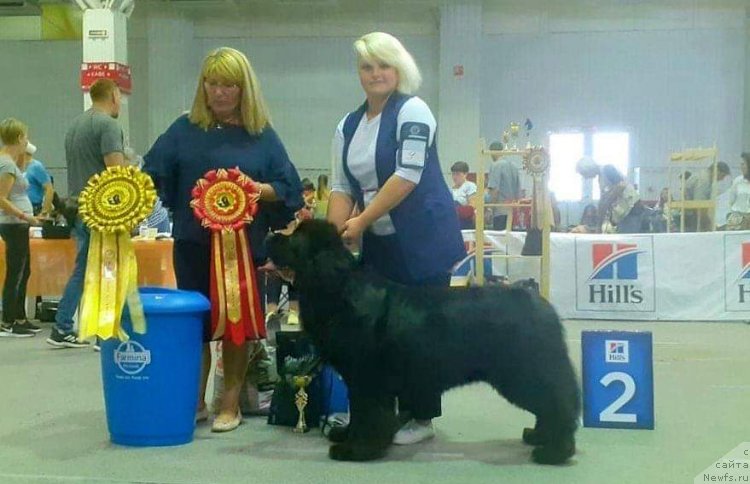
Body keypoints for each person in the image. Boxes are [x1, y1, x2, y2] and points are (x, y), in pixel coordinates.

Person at [143, 47, 304, 433]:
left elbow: (289, 188)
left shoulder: (262, 135)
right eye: (212, 84)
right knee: (194, 326)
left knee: (235, 327)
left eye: (229, 85)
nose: (220, 93)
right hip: (192, 245)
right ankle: (193, 401)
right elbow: (151, 172)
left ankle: (229, 403)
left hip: (243, 248)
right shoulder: (183, 128)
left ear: (243, 88)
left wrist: (254, 189)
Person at [327, 32, 465, 446]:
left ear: (399, 69)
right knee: (380, 332)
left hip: (423, 241)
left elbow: (407, 175)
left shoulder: (414, 110)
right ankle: (377, 413)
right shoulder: (348, 124)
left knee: (422, 332)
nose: (375, 74)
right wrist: (334, 237)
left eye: (383, 66)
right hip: (380, 244)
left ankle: (421, 418)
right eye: (367, 67)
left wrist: (362, 221)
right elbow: (339, 187)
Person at [46, 78, 125, 349]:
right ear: (113, 95)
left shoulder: (75, 126)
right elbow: (117, 173)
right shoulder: (109, 126)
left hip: (78, 206)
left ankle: (63, 325)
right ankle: (103, 332)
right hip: (102, 209)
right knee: (108, 269)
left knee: (84, 269)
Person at [0, 118, 42, 337]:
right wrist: (24, 215)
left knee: (23, 270)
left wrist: (24, 154)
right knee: (16, 271)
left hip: (18, 224)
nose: (27, 140)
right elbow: (1, 198)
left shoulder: (11, 162)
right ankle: (8, 320)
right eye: (25, 137)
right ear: (18, 137)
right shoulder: (6, 164)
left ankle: (19, 316)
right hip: (13, 224)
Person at [684, 162, 731, 231]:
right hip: (693, 216)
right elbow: (700, 206)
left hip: (692, 213)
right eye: (722, 176)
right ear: (717, 171)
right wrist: (709, 224)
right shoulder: (704, 180)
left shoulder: (704, 175)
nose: (722, 179)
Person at [487, 141, 520, 230]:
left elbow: (494, 190)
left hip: (499, 211)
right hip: (512, 211)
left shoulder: (496, 165)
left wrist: (489, 209)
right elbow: (518, 191)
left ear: (492, 152)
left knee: (499, 241)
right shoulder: (514, 166)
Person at [22, 143, 55, 217]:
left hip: (34, 208)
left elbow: (49, 189)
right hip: (22, 208)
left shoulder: (36, 167)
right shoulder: (19, 166)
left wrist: (44, 212)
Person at [450, 161, 477, 229]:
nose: (454, 177)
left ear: (465, 174)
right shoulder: (450, 189)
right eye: (453, 174)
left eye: (458, 174)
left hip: (465, 221)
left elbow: (473, 206)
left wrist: (458, 210)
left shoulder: (470, 186)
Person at [726, 153, 750, 231]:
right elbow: (731, 201)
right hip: (737, 219)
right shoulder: (737, 181)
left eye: (743, 164)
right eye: (740, 164)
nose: (741, 167)